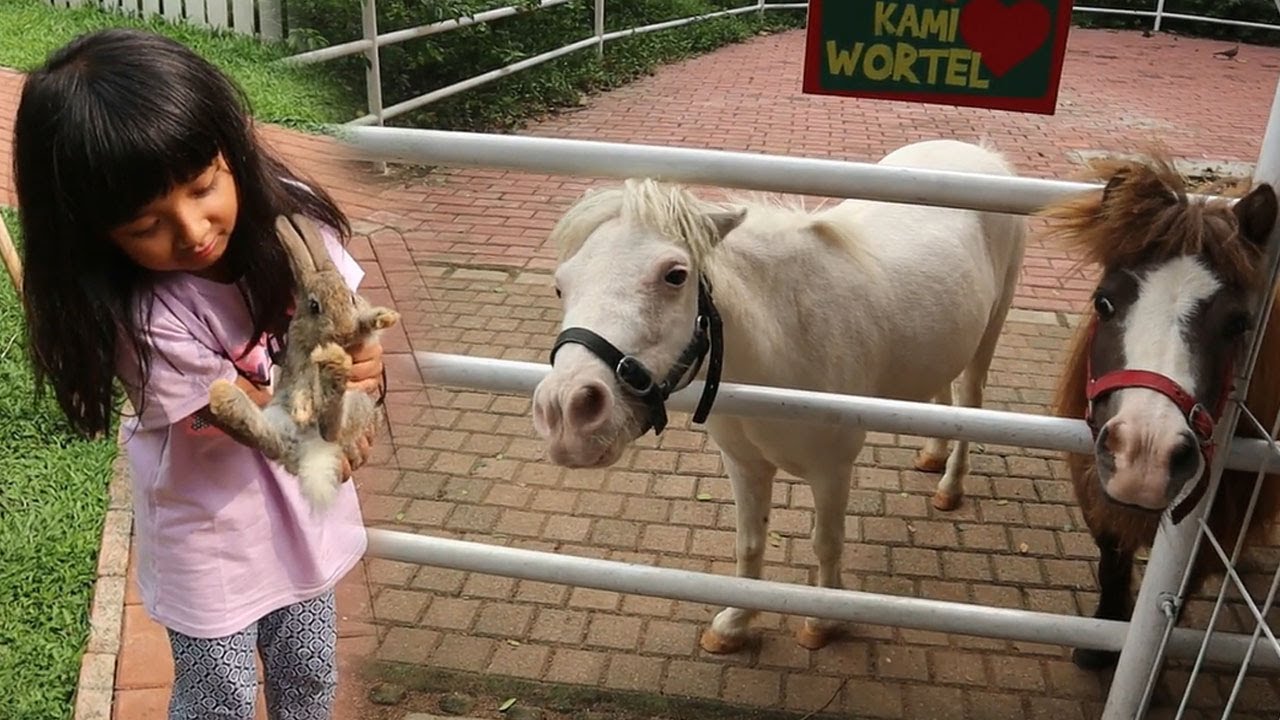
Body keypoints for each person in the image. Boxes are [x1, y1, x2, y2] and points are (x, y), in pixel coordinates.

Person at [13, 27, 381, 720]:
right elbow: (242, 421)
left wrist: (366, 365)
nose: (190, 229)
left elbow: (348, 323)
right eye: (144, 224)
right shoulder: (142, 315)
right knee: (220, 698)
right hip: (213, 542)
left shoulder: (288, 216)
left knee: (309, 676)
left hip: (306, 517)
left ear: (230, 149)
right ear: (93, 234)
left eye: (203, 185)